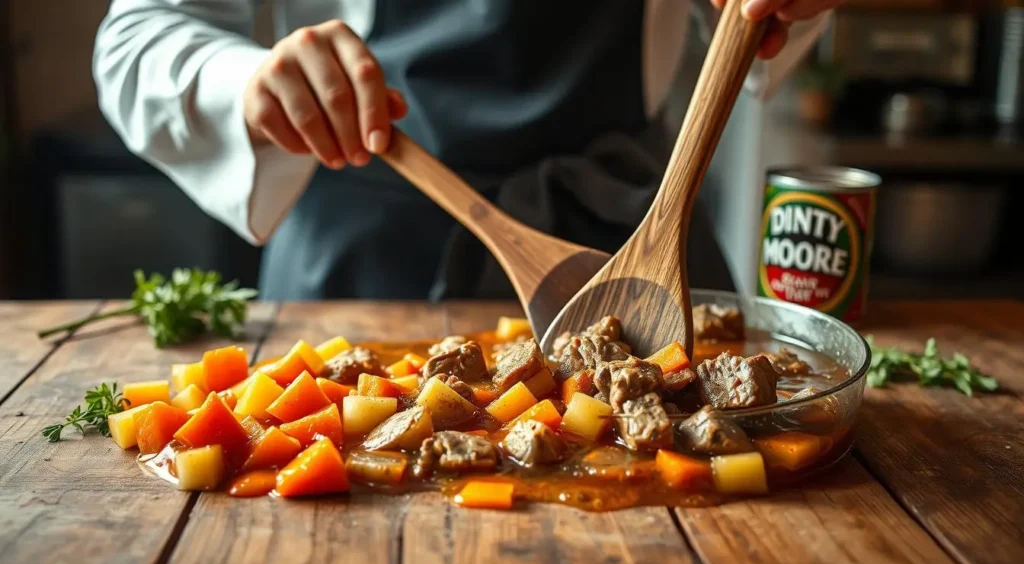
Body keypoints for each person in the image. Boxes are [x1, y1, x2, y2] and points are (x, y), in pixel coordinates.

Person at [94, 0, 837, 300]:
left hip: (633, 257)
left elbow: (768, 34)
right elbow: (135, 39)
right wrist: (250, 81)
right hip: (362, 271)